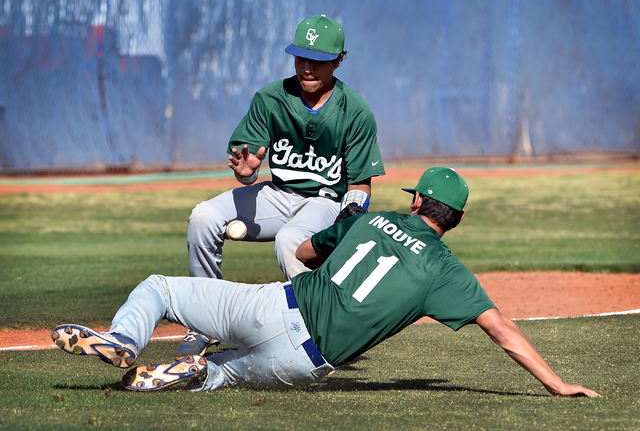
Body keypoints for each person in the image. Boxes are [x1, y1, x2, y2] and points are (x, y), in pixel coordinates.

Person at [51, 167, 600, 397]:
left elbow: (306, 250)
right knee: (225, 376)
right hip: (304, 365)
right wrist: (557, 384)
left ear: (415, 201)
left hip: (274, 307)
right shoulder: (445, 272)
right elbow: (502, 330)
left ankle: (124, 342)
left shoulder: (368, 220)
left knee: (159, 288)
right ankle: (197, 374)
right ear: (453, 219)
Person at [179, 14, 386, 358]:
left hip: (324, 202)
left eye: (318, 60)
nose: (307, 67)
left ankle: (312, 330)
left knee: (291, 241)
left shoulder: (355, 112)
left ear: (338, 60)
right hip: (276, 194)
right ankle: (203, 322)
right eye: (301, 57)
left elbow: (360, 184)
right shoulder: (271, 98)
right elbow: (247, 169)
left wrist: (349, 216)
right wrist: (247, 174)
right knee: (203, 217)